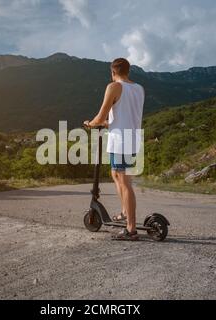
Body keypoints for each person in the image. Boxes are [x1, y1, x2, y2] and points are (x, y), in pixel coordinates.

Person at [84, 58, 145, 241]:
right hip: (131, 139)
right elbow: (124, 116)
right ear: (128, 71)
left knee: (125, 182)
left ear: (113, 72)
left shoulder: (114, 87)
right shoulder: (139, 89)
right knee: (115, 174)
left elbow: (101, 114)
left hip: (121, 142)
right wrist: (105, 123)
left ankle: (131, 229)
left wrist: (91, 124)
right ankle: (126, 212)